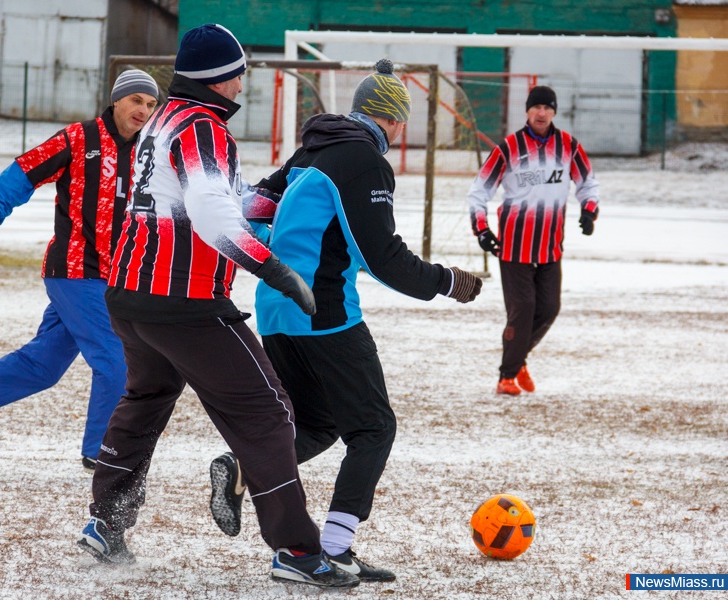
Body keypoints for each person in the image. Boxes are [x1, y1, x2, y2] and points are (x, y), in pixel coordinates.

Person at [75, 24, 358, 589]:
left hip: (129, 295)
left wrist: (266, 196)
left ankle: (106, 522)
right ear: (220, 77)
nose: (242, 85)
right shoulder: (205, 128)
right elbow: (211, 217)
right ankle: (297, 551)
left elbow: (203, 199)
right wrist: (274, 269)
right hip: (183, 301)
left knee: (146, 397)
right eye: (239, 74)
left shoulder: (162, 122)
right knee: (269, 411)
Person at [207, 59, 483, 582]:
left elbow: (254, 208)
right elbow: (382, 257)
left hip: (276, 308)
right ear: (394, 121)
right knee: (374, 428)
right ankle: (333, 548)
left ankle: (245, 468)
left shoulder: (312, 149)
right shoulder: (365, 161)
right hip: (325, 313)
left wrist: (281, 256)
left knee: (317, 424)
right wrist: (446, 281)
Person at [0, 70, 160, 471]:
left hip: (114, 276)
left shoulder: (150, 152)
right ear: (116, 100)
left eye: (151, 104)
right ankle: (101, 452)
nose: (143, 110)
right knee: (116, 359)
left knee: (43, 365)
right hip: (73, 271)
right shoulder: (78, 139)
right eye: (136, 100)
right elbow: (23, 171)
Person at [466, 85, 600, 395]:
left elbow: (588, 184)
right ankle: (506, 376)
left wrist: (589, 211)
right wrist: (482, 230)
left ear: (554, 112)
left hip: (551, 246)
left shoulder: (569, 146)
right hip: (513, 246)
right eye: (536, 107)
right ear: (527, 111)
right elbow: (479, 191)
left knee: (549, 308)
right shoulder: (509, 148)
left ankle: (518, 361)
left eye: (547, 108)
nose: (541, 113)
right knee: (523, 308)